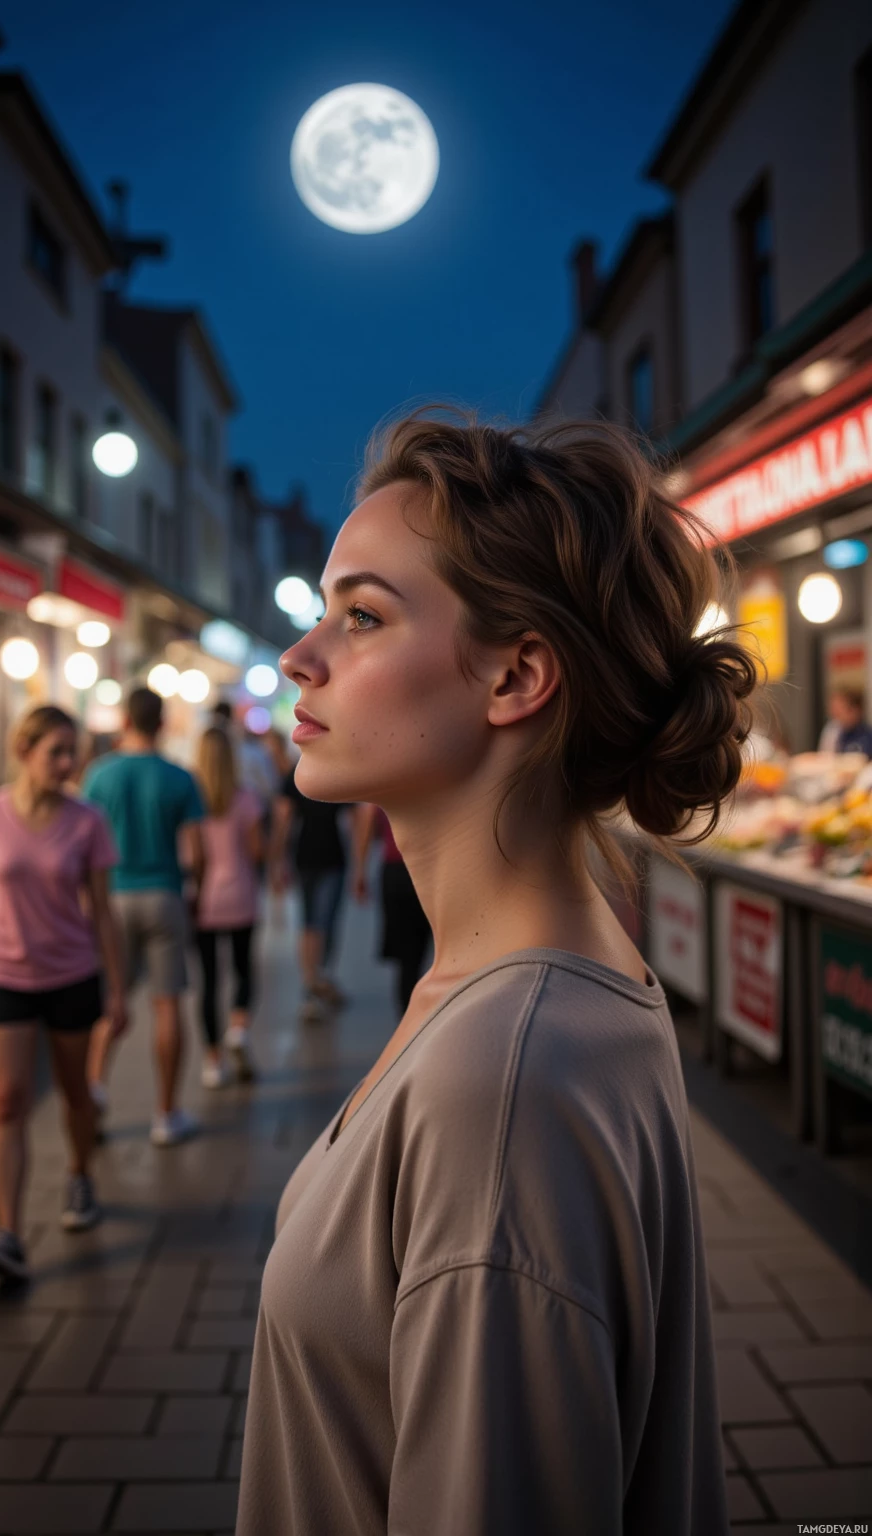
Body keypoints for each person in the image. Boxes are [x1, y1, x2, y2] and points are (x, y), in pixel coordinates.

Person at [236, 410, 755, 1535]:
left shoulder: (504, 1079)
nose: (297, 658)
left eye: (361, 616)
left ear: (516, 675)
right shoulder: (520, 997)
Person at [0, 705, 126, 1282]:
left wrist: (118, 989)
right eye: (56, 750)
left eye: (71, 751)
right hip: (1, 975)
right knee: (7, 1099)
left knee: (75, 1091)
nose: (67, 762)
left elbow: (103, 912)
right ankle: (8, 1233)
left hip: (71, 975)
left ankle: (80, 1174)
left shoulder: (88, 821)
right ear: (24, 750)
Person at [84, 687, 205, 1147]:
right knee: (167, 1004)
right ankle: (165, 1114)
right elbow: (197, 850)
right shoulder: (179, 777)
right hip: (164, 894)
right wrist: (194, 894)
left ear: (125, 720)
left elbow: (83, 841)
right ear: (161, 723)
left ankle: (93, 1094)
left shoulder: (99, 775)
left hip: (112, 898)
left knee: (111, 1003)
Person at [188, 727, 265, 1087]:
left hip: (203, 898)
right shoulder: (245, 797)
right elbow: (256, 850)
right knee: (243, 969)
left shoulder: (190, 801)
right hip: (241, 894)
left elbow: (191, 854)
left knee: (208, 980)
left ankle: (213, 1061)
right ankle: (239, 1029)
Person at [270, 768, 352, 1023]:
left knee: (311, 924)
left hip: (306, 856)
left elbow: (282, 821)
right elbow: (355, 820)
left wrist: (278, 860)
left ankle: (314, 982)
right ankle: (315, 983)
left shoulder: (294, 775)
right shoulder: (338, 772)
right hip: (331, 858)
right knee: (321, 923)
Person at [353, 803, 432, 1014]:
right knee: (424, 949)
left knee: (406, 955)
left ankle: (407, 1012)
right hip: (426, 870)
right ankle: (418, 1008)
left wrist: (360, 870)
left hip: (395, 872)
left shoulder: (387, 780)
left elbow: (366, 818)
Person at [819, 686, 872, 757]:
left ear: (856, 710)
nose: (835, 714)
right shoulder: (832, 731)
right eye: (834, 709)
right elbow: (825, 758)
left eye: (840, 709)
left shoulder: (867, 735)